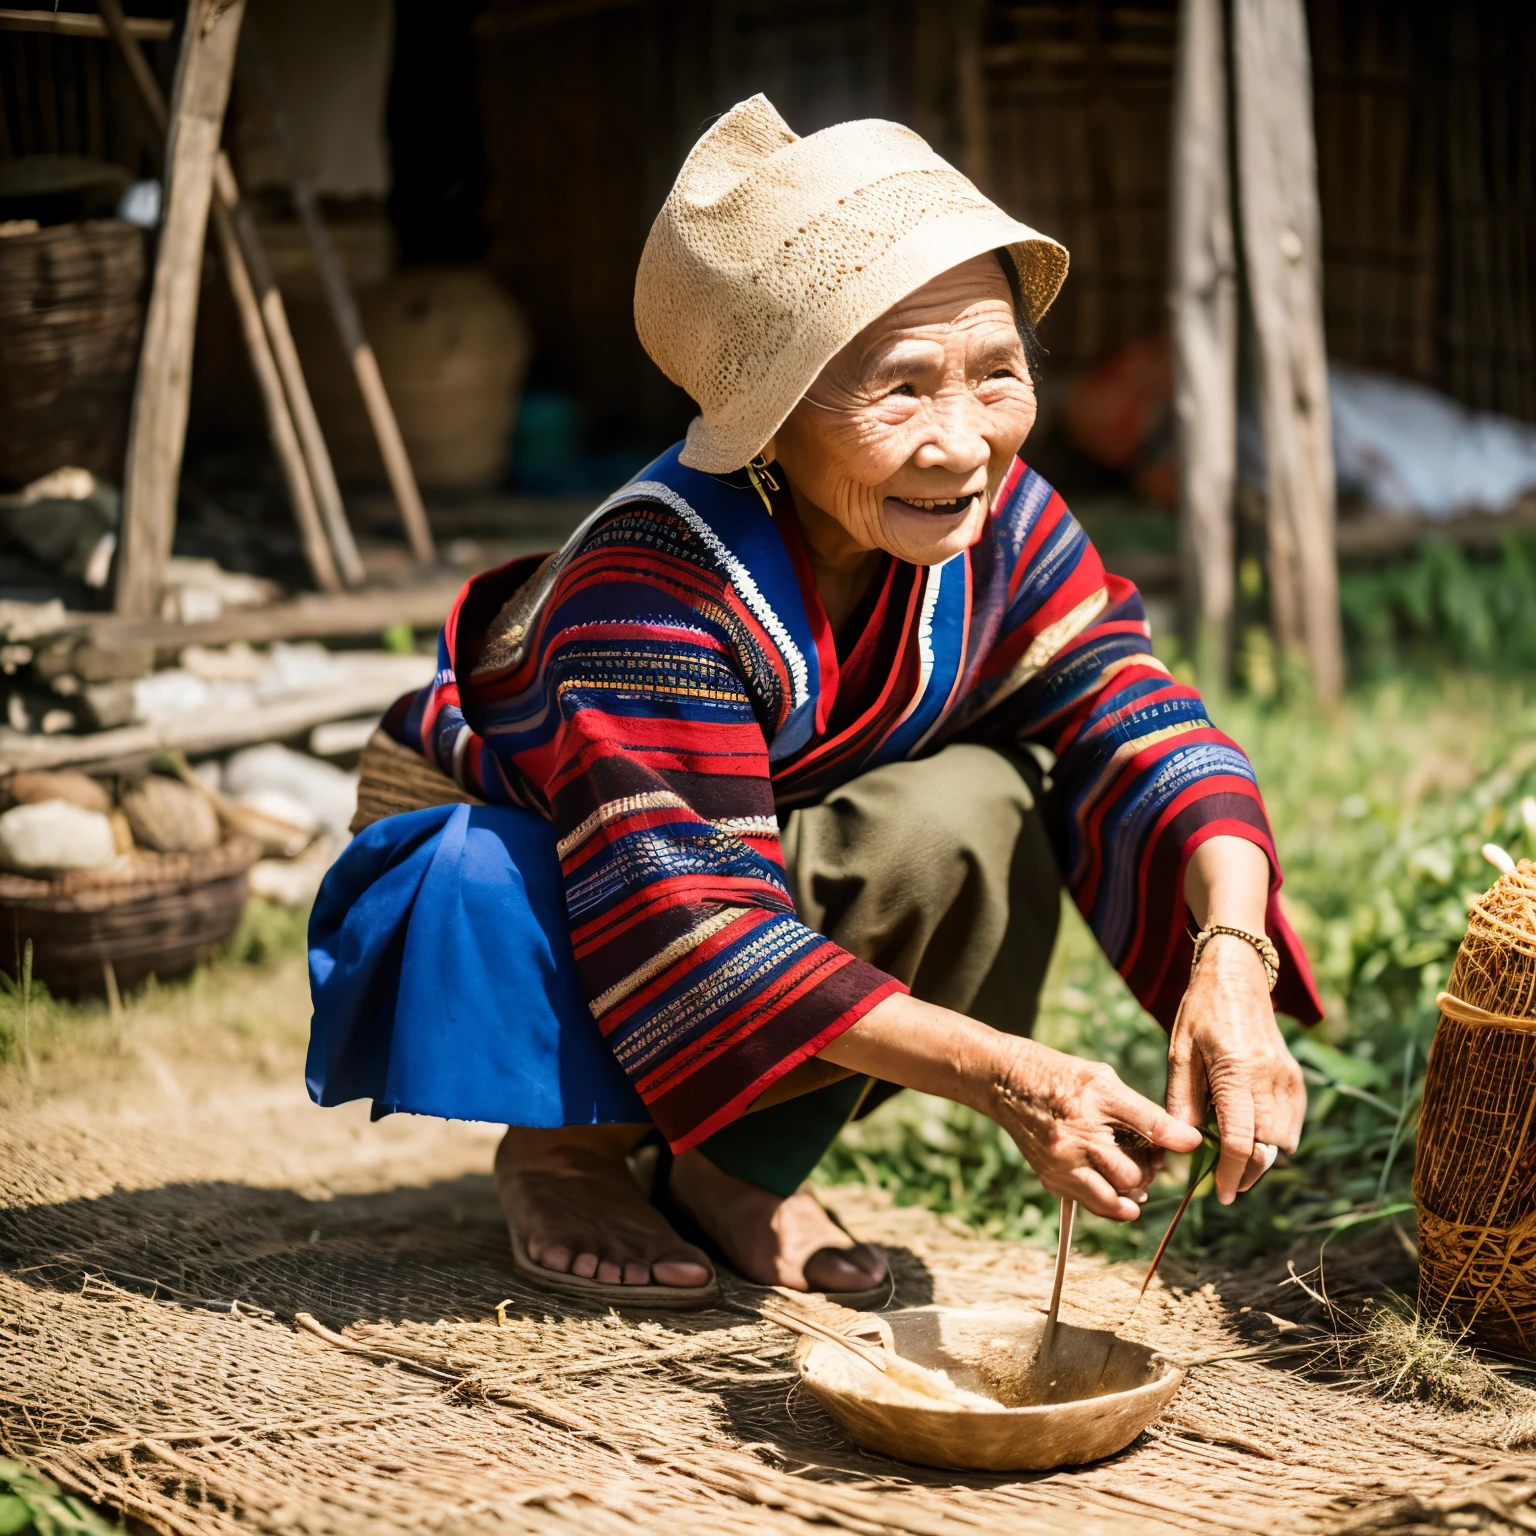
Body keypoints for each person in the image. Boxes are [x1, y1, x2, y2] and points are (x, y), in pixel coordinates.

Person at [307, 95, 1320, 1309]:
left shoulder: (997, 522)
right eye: (899, 391)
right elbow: (699, 922)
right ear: (769, 423)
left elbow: (1141, 718)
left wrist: (1230, 957)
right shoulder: (650, 591)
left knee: (971, 811)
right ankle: (564, 1152)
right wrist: (1011, 1077)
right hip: (564, 871)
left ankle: (730, 1168)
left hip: (748, 858)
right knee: (596, 887)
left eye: (997, 374)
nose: (961, 443)